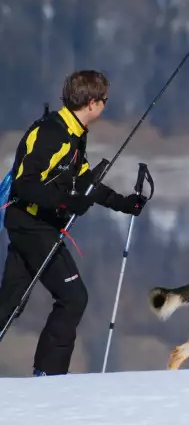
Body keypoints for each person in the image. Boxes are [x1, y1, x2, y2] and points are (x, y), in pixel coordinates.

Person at [0, 70, 148, 376]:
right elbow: (24, 185)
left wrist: (124, 203)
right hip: (30, 223)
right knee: (73, 296)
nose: (105, 107)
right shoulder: (51, 132)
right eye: (104, 101)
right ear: (92, 103)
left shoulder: (74, 134)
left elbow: (83, 181)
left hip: (37, 223)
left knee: (10, 302)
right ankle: (49, 376)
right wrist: (66, 203)